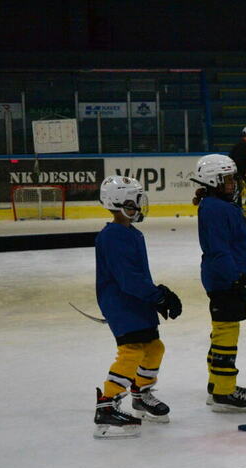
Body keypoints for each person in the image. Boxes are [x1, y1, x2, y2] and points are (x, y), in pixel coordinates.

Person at [93, 175, 182, 439]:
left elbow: (137, 277)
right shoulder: (113, 236)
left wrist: (155, 295)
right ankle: (106, 405)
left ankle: (140, 394)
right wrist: (157, 296)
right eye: (133, 204)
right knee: (131, 352)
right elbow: (128, 278)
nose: (138, 208)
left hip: (137, 301)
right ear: (117, 204)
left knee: (154, 348)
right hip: (121, 303)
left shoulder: (130, 232)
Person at [192, 153, 246, 412]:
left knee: (223, 330)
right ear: (213, 181)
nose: (233, 184)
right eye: (228, 180)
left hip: (227, 277)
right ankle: (223, 391)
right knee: (226, 333)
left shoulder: (216, 206)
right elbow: (219, 250)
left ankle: (217, 384)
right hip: (224, 279)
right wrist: (236, 278)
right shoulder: (215, 209)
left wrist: (240, 276)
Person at [229, 125, 246, 209]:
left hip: (233, 178)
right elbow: (241, 167)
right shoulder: (243, 146)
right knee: (236, 203)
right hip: (234, 178)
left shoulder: (241, 145)